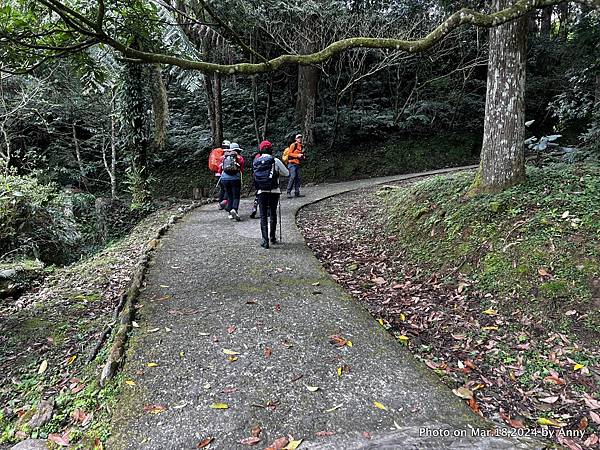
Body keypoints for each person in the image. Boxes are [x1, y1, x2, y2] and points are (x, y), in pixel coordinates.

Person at [253, 140, 289, 249]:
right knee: (273, 212)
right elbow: (287, 173)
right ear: (270, 149)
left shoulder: (256, 161)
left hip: (261, 192)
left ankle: (265, 240)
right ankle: (273, 237)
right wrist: (277, 173)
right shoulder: (275, 160)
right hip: (274, 191)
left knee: (263, 215)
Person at [219, 142, 244, 221]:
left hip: (224, 179)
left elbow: (220, 169)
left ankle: (230, 213)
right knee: (236, 196)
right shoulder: (240, 158)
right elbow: (242, 169)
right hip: (235, 179)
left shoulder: (223, 157)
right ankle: (234, 209)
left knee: (229, 196)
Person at [286, 134, 305, 198]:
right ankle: (288, 192)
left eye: (300, 137)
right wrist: (297, 155)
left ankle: (297, 192)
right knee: (293, 176)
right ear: (295, 139)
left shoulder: (301, 146)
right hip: (292, 164)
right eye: (298, 138)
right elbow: (289, 153)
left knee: (298, 178)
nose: (299, 139)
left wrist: (302, 156)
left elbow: (301, 155)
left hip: (298, 164)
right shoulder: (293, 145)